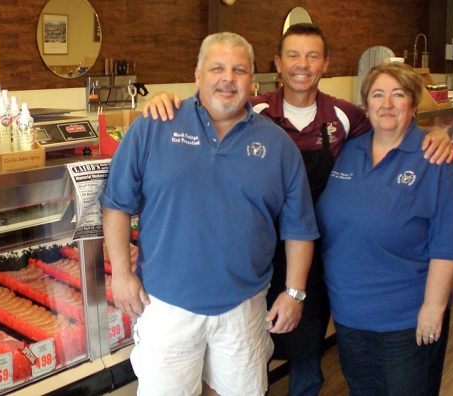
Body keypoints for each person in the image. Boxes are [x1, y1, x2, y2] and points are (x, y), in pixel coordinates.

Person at [142, 23, 453, 396]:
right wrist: (162, 100)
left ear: (325, 64)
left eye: (312, 56)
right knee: (246, 354)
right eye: (293, 55)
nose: (302, 64)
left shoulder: (345, 115)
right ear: (277, 63)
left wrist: (434, 134)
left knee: (306, 347)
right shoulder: (252, 107)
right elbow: (203, 113)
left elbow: (390, 124)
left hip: (310, 248)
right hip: (252, 253)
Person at [100, 32, 319, 396]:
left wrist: (294, 293)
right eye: (217, 68)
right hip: (166, 304)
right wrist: (121, 274)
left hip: (244, 309)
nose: (228, 78)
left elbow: (299, 228)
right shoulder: (154, 125)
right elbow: (117, 204)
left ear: (253, 80)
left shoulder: (277, 144)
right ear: (198, 74)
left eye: (239, 70)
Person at [315, 61, 453, 396]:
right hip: (349, 314)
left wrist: (433, 308)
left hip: (406, 320)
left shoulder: (434, 159)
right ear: (366, 105)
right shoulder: (350, 149)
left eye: (398, 95)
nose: (386, 104)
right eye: (378, 94)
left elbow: (449, 242)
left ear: (413, 105)